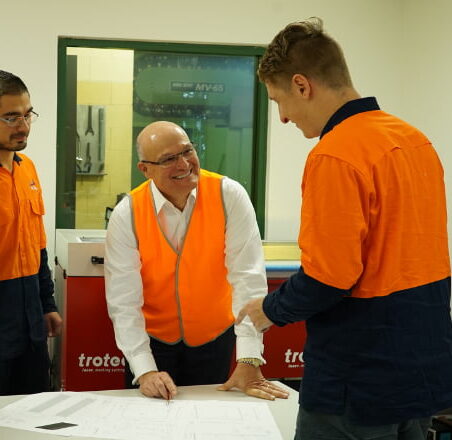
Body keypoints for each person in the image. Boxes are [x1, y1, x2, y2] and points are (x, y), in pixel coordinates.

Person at [237, 18, 452, 440]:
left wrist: (269, 311)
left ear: (303, 85)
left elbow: (330, 276)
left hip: (359, 379)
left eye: (278, 100)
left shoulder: (335, 155)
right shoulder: (414, 141)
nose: (281, 118)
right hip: (422, 367)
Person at [104, 120, 288, 402]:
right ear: (145, 169)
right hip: (153, 342)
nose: (184, 164)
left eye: (187, 151)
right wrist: (144, 371)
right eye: (168, 159)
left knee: (207, 420)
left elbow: (247, 278)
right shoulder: (127, 213)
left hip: (214, 339)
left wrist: (249, 356)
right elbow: (123, 300)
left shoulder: (229, 195)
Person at [0, 70, 63, 395]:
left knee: (34, 409)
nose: (23, 127)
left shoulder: (27, 169)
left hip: (30, 322)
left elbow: (37, 246)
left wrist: (47, 304)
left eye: (27, 115)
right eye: (11, 117)